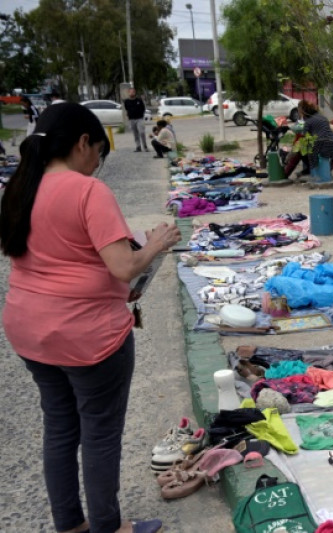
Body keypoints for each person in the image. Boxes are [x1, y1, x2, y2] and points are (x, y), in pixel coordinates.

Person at [0, 102, 180, 533]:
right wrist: (158, 242)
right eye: (99, 151)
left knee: (60, 428)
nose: (99, 163)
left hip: (30, 329)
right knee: (99, 432)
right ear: (83, 143)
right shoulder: (86, 191)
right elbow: (123, 268)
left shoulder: (21, 187)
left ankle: (70, 524)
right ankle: (107, 526)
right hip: (88, 335)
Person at [299, 100, 333, 181]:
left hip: (320, 144)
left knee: (304, 152)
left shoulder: (308, 121)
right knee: (320, 156)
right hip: (332, 145)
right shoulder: (323, 118)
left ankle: (314, 174)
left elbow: (305, 137)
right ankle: (325, 173)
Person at [123, 88, 147, 152]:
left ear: (135, 92)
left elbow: (143, 108)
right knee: (135, 134)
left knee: (142, 132)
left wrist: (141, 114)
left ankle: (145, 146)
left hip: (139, 118)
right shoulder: (126, 101)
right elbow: (126, 109)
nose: (132, 93)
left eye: (133, 92)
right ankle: (138, 146)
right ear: (128, 93)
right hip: (131, 119)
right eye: (130, 92)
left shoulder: (139, 100)